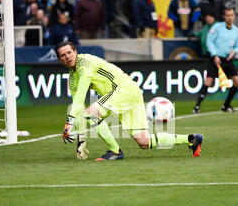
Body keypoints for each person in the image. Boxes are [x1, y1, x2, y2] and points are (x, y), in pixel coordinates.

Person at [56, 41, 203, 161]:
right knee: (144, 142)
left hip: (123, 90)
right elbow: (78, 107)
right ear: (59, 59)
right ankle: (192, 140)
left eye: (69, 52)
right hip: (129, 93)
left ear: (75, 52)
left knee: (91, 114)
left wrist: (69, 123)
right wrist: (80, 140)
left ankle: (115, 151)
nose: (67, 57)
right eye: (63, 55)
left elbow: (81, 96)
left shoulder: (84, 63)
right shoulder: (72, 78)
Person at [193, 8, 238, 114]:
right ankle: (196, 107)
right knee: (209, 81)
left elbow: (237, 46)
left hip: (227, 59)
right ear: (224, 17)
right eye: (227, 15)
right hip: (215, 58)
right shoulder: (217, 27)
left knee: (237, 81)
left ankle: (226, 105)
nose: (229, 17)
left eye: (231, 15)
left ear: (234, 16)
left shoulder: (236, 30)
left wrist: (234, 52)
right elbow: (209, 41)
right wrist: (214, 55)